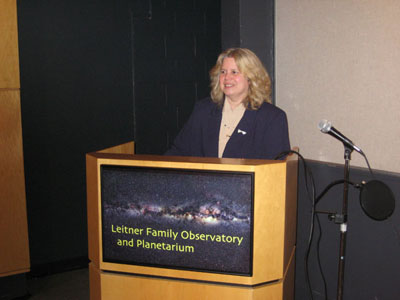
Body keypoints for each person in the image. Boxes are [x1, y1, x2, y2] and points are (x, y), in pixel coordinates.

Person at [165, 48, 290, 160]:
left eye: (234, 72)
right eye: (223, 72)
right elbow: (179, 152)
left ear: (251, 78)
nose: (227, 77)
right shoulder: (203, 110)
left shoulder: (272, 118)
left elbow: (276, 172)